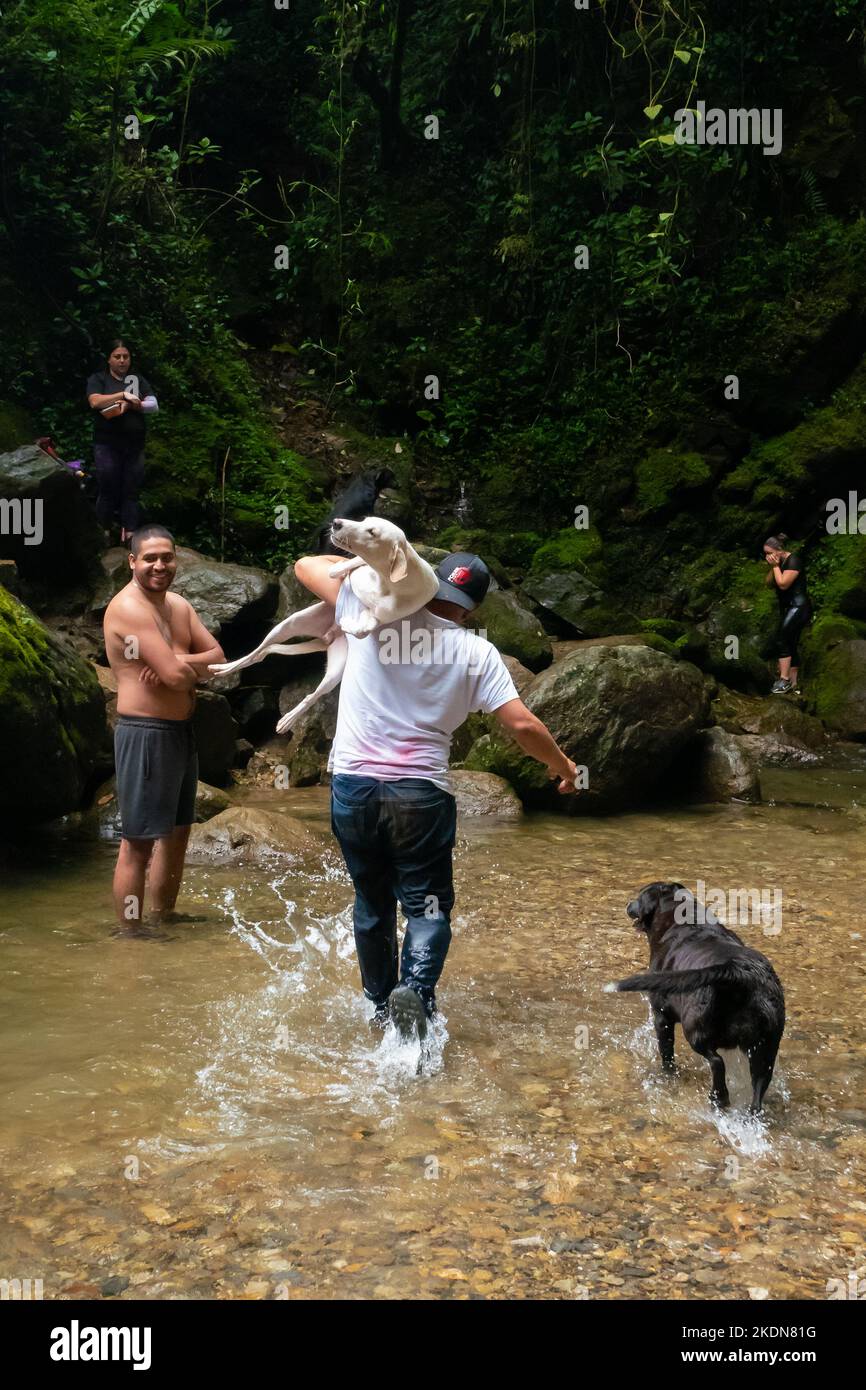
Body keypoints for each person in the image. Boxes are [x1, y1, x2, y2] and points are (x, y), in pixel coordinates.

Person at [293, 548, 581, 1041]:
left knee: (371, 903)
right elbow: (520, 725)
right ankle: (417, 991)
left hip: (354, 789)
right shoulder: (477, 652)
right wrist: (564, 767)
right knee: (427, 907)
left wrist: (384, 568)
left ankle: (380, 1008)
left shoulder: (369, 615)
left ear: (426, 584)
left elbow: (305, 565)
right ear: (471, 610)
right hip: (420, 795)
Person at [103, 524, 225, 928]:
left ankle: (165, 917)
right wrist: (183, 665)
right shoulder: (129, 608)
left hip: (179, 733)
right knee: (137, 842)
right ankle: (131, 934)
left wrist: (177, 660)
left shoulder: (178, 606)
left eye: (167, 557)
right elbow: (174, 679)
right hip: (145, 732)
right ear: (133, 561)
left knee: (176, 834)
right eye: (150, 558)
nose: (160, 565)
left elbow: (219, 660)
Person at [86, 339, 158, 545]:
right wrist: (122, 394)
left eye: (125, 356)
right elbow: (95, 401)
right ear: (109, 359)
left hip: (134, 444)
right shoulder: (99, 379)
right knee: (107, 486)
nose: (122, 360)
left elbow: (153, 405)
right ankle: (103, 532)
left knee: (131, 489)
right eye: (117, 356)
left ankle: (130, 534)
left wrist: (133, 405)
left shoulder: (137, 380)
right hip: (106, 443)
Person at [763, 533, 812, 694]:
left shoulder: (794, 560)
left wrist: (776, 567)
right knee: (791, 643)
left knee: (781, 639)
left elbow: (783, 584)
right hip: (789, 607)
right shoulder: (780, 562)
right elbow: (769, 583)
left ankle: (783, 680)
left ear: (779, 550)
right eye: (766, 553)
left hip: (798, 607)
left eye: (770, 553)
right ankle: (794, 683)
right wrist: (773, 566)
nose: (768, 556)